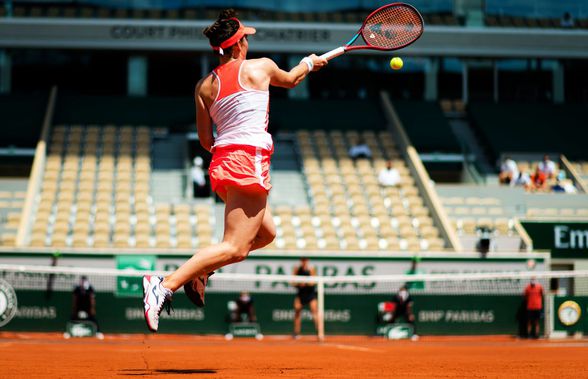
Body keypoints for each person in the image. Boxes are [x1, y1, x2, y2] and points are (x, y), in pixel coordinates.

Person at [142, 9, 328, 332]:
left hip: (223, 164)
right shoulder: (261, 67)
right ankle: (164, 284)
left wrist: (229, 151)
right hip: (248, 161)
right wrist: (310, 62)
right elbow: (293, 78)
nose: (248, 44)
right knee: (236, 247)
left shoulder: (204, 86)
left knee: (266, 234)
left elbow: (204, 139)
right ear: (239, 43)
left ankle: (201, 272)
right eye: (246, 38)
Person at [292, 257, 322, 339]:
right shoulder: (297, 269)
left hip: (310, 294)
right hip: (301, 294)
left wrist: (305, 282)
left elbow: (313, 283)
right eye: (302, 260)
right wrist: (298, 283)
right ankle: (296, 333)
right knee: (297, 310)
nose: (304, 262)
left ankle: (319, 332)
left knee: (314, 312)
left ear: (307, 261)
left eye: (305, 260)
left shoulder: (311, 269)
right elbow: (292, 282)